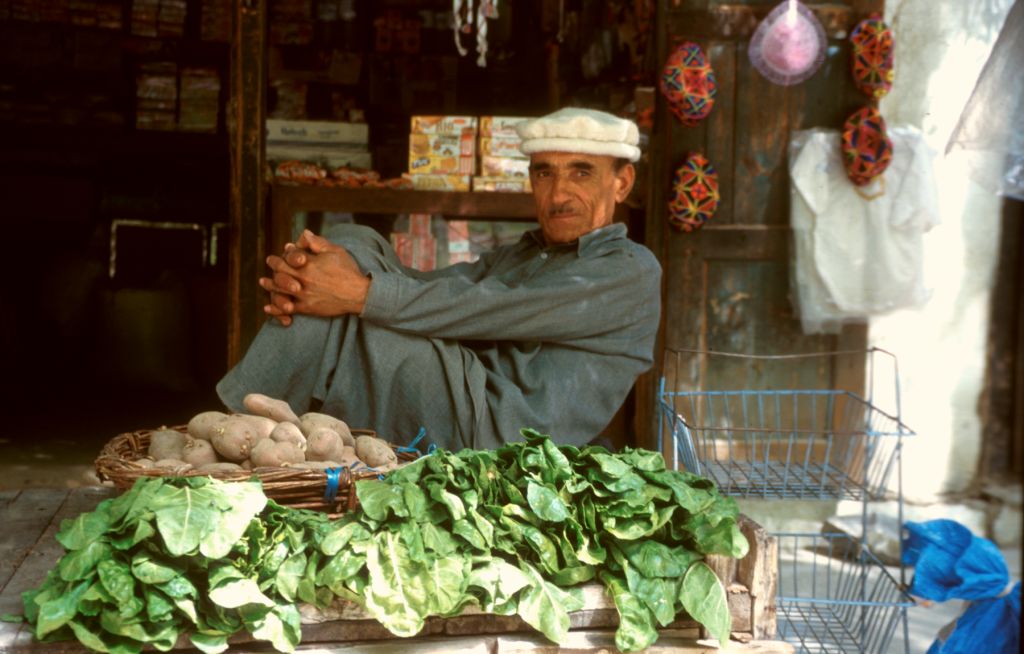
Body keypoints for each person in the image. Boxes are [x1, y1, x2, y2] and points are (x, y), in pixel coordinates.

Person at [217, 107, 662, 450]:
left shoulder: (629, 271)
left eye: (582, 172)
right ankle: (250, 428)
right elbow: (436, 286)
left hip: (492, 430)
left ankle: (232, 427)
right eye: (544, 172)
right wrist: (326, 277)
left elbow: (485, 309)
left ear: (622, 183)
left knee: (353, 308)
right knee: (354, 241)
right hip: (460, 383)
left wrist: (357, 293)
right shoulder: (528, 252)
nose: (559, 193)